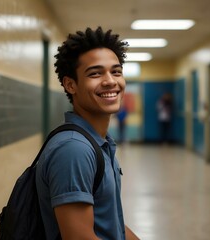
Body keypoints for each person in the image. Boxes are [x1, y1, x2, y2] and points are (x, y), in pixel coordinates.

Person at [36, 27, 140, 239]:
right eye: (95, 73)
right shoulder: (74, 150)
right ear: (71, 84)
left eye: (116, 71)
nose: (110, 81)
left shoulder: (99, 142)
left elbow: (111, 223)